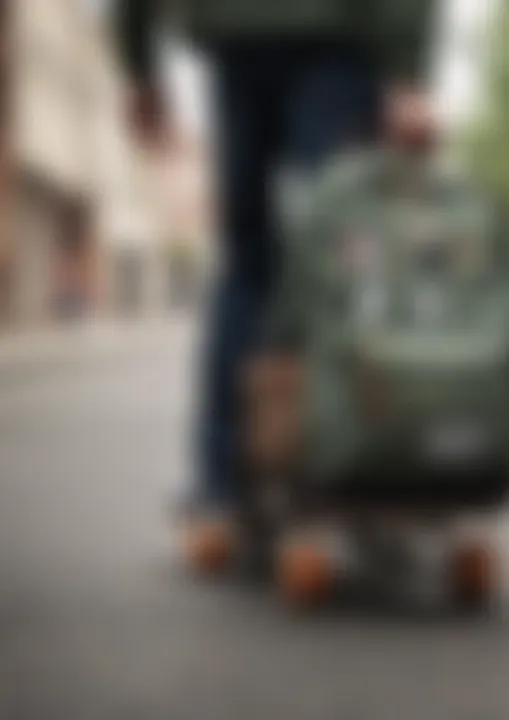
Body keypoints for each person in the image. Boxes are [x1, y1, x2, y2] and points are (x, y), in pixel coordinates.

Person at [114, 0, 436, 575]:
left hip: (238, 32)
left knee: (247, 257)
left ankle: (221, 492)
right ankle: (341, 475)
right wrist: (410, 70)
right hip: (338, 34)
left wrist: (140, 62)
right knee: (337, 255)